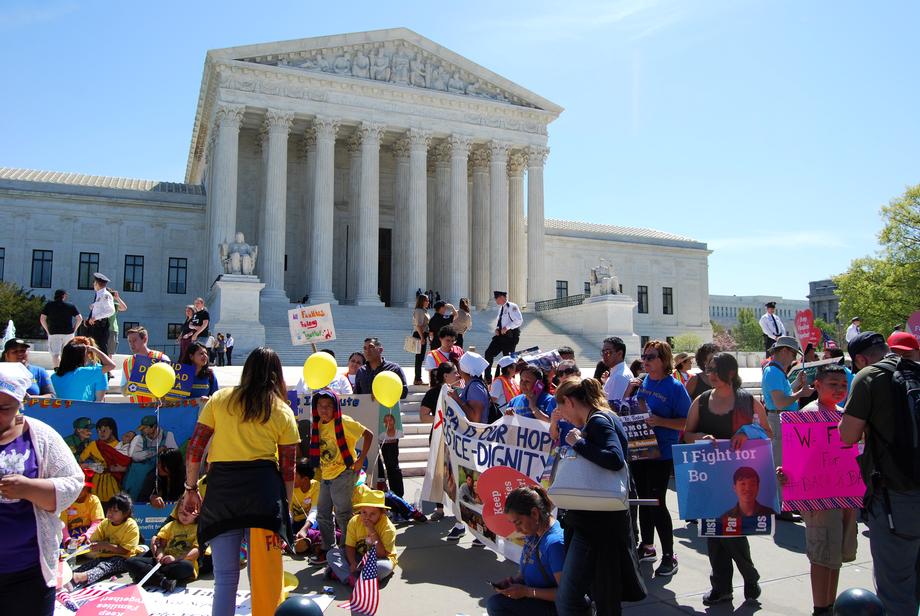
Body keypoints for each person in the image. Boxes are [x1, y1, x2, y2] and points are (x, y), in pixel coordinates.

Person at [183, 347, 300, 616]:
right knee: (265, 579)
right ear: (277, 375)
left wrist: (190, 488)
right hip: (264, 497)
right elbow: (289, 469)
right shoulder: (282, 411)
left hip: (223, 492)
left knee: (224, 579)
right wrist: (287, 508)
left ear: (246, 370)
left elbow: (195, 448)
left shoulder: (219, 398)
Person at [839, 331, 920, 615]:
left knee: (896, 590)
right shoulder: (916, 370)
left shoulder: (870, 377)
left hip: (896, 498)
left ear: (860, 359)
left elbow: (847, 436)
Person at [682, 351, 771, 606]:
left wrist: (746, 431)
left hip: (739, 476)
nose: (708, 375)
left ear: (729, 373)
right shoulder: (700, 401)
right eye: (707, 369)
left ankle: (746, 576)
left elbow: (767, 433)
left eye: (713, 370)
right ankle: (725, 586)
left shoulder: (748, 401)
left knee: (732, 530)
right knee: (713, 532)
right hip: (709, 475)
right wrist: (701, 438)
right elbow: (687, 433)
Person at [553, 378, 645, 615]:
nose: (561, 415)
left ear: (571, 402)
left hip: (595, 527)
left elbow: (614, 459)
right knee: (604, 595)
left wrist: (578, 443)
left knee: (570, 598)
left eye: (561, 407)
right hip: (601, 522)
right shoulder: (604, 416)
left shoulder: (597, 421)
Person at [0, 362, 83, 615]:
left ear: (20, 404)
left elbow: (73, 484)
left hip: (29, 572)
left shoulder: (41, 436)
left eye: (4, 408)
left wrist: (28, 488)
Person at [777, 363, 857, 616]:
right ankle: (820, 607)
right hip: (818, 499)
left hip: (844, 496)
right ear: (817, 386)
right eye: (833, 384)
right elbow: (798, 458)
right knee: (822, 555)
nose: (839, 389)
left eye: (843, 384)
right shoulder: (808, 416)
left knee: (836, 556)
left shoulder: (845, 414)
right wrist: (787, 473)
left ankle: (829, 604)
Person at [625, 340, 690, 576]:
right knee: (643, 500)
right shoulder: (643, 383)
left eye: (651, 357)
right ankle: (648, 546)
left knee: (657, 501)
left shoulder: (675, 387)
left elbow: (687, 421)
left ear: (664, 359)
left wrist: (661, 422)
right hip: (641, 451)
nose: (646, 361)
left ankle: (669, 555)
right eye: (644, 356)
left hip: (661, 452)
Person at [308, 389, 373, 566]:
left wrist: (360, 459)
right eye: (320, 406)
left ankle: (347, 549)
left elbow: (368, 434)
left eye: (328, 406)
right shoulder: (317, 424)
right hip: (327, 475)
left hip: (344, 472)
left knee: (343, 514)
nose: (324, 409)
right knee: (322, 513)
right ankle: (329, 549)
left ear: (335, 407)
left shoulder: (344, 422)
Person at [487, 486, 564, 616]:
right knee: (496, 603)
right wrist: (513, 582)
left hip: (554, 607)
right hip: (536, 599)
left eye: (518, 522)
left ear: (534, 513)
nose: (517, 530)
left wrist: (527, 592)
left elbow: (566, 595)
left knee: (496, 605)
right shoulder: (533, 533)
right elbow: (528, 570)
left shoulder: (554, 543)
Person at [761, 336, 813, 517]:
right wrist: (801, 393)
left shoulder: (774, 371)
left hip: (781, 418)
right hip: (779, 419)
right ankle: (781, 506)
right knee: (780, 463)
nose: (793, 358)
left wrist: (796, 384)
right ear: (784, 351)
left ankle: (784, 503)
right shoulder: (774, 372)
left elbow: (782, 395)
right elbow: (781, 401)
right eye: (792, 354)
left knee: (783, 462)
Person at [445, 352, 491, 542]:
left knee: (477, 489)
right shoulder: (471, 386)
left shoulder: (476, 388)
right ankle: (464, 524)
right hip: (468, 446)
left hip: (475, 446)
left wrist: (457, 400)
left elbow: (475, 418)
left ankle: (482, 530)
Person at [326, 489, 397, 585]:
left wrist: (372, 530)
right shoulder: (354, 521)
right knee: (332, 554)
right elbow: (349, 546)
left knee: (384, 567)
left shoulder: (388, 528)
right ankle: (352, 578)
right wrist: (352, 563)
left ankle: (343, 574)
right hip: (359, 556)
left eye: (373, 514)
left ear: (381, 513)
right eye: (364, 512)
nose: (367, 517)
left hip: (380, 559)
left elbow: (381, 554)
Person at [71, 493, 144, 586]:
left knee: (104, 566)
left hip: (124, 559)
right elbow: (95, 538)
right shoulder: (105, 523)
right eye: (109, 509)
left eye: (115, 511)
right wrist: (90, 542)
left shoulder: (131, 525)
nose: (110, 513)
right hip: (105, 556)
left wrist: (105, 545)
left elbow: (125, 550)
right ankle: (70, 576)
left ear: (125, 513)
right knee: (90, 564)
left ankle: (81, 577)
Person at [421, 363, 462, 522]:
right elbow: (423, 416)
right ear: (446, 376)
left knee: (457, 473)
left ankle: (459, 508)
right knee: (438, 473)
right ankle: (439, 508)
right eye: (455, 373)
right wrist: (442, 420)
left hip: (456, 439)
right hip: (439, 437)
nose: (458, 376)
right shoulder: (433, 393)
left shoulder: (459, 392)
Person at [125, 506, 199, 592]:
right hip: (163, 562)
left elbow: (197, 551)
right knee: (130, 561)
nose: (184, 516)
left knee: (187, 567)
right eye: (181, 513)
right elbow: (161, 546)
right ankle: (163, 581)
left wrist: (175, 559)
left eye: (187, 513)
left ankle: (148, 576)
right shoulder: (170, 525)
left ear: (196, 513)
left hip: (178, 563)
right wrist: (160, 555)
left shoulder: (199, 528)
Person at [123, 415, 178, 500]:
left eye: (145, 428)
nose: (142, 430)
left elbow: (174, 454)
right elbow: (135, 456)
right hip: (141, 473)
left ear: (153, 427)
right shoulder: (139, 438)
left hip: (160, 472)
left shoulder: (167, 436)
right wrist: (155, 451)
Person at [79, 417, 130, 503]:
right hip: (96, 482)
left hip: (113, 482)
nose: (101, 433)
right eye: (98, 430)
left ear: (112, 430)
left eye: (104, 430)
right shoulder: (93, 445)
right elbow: (79, 463)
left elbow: (126, 466)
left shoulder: (120, 446)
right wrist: (91, 466)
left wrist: (113, 468)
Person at [51, 342, 116, 401]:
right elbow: (111, 365)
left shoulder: (53, 377)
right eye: (85, 355)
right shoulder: (82, 372)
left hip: (61, 412)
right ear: (79, 358)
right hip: (81, 411)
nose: (87, 358)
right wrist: (94, 350)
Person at [121, 326, 171, 403]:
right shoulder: (127, 362)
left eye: (134, 340)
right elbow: (123, 392)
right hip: (136, 410)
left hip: (157, 409)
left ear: (144, 339)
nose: (131, 344)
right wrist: (134, 380)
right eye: (129, 341)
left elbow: (173, 387)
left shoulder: (162, 358)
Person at [484, 291, 523, 382]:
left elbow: (519, 321)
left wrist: (507, 327)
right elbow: (500, 321)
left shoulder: (512, 306)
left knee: (509, 360)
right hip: (500, 337)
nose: (495, 300)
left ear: (501, 297)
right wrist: (497, 329)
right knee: (488, 353)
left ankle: (511, 381)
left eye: (496, 298)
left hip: (510, 337)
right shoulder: (501, 308)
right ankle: (488, 378)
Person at [40, 289, 82, 368]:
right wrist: (74, 329)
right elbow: (79, 318)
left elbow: (42, 319)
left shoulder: (49, 305)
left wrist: (47, 330)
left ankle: (58, 371)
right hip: (68, 333)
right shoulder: (70, 306)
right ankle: (68, 370)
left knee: (56, 354)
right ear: (64, 296)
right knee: (69, 353)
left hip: (54, 332)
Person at [60, 473, 104, 548]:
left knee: (93, 554)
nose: (79, 491)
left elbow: (97, 522)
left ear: (87, 488)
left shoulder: (93, 500)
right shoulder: (66, 501)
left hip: (89, 533)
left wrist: (86, 536)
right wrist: (67, 539)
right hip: (70, 534)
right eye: (77, 488)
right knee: (71, 552)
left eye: (82, 488)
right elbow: (62, 524)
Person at [291, 459, 323, 555]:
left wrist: (304, 529)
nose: (291, 478)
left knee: (319, 523)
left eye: (295, 476)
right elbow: (289, 513)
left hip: (309, 524)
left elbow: (314, 510)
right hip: (295, 523)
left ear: (305, 479)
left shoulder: (316, 486)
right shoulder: (291, 487)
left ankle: (303, 542)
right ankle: (309, 543)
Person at [86, 273, 115, 354]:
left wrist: (95, 317)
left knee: (100, 348)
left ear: (97, 284)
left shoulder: (105, 294)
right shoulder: (100, 294)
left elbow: (110, 310)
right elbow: (101, 306)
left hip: (100, 326)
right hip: (95, 325)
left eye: (94, 282)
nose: (93, 284)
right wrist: (94, 305)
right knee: (94, 348)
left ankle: (103, 366)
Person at [377, 413, 404, 497]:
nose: (389, 423)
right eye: (386, 421)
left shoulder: (397, 432)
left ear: (394, 421)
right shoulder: (382, 435)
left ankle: (398, 493)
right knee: (388, 466)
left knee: (393, 466)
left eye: (390, 420)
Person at [600, 336, 631, 404]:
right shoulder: (616, 373)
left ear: (619, 353)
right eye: (603, 352)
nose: (604, 355)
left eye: (608, 352)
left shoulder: (620, 376)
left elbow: (614, 409)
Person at [412, 294, 430, 385]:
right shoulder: (419, 310)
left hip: (423, 335)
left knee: (421, 358)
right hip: (420, 335)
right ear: (422, 301)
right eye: (426, 300)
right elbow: (418, 325)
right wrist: (422, 337)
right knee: (419, 358)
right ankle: (417, 379)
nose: (428, 302)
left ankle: (418, 378)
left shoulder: (424, 310)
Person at [107, 290, 128, 357]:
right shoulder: (100, 303)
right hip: (102, 329)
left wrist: (117, 298)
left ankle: (109, 366)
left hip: (112, 329)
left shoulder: (113, 304)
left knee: (110, 351)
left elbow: (124, 308)